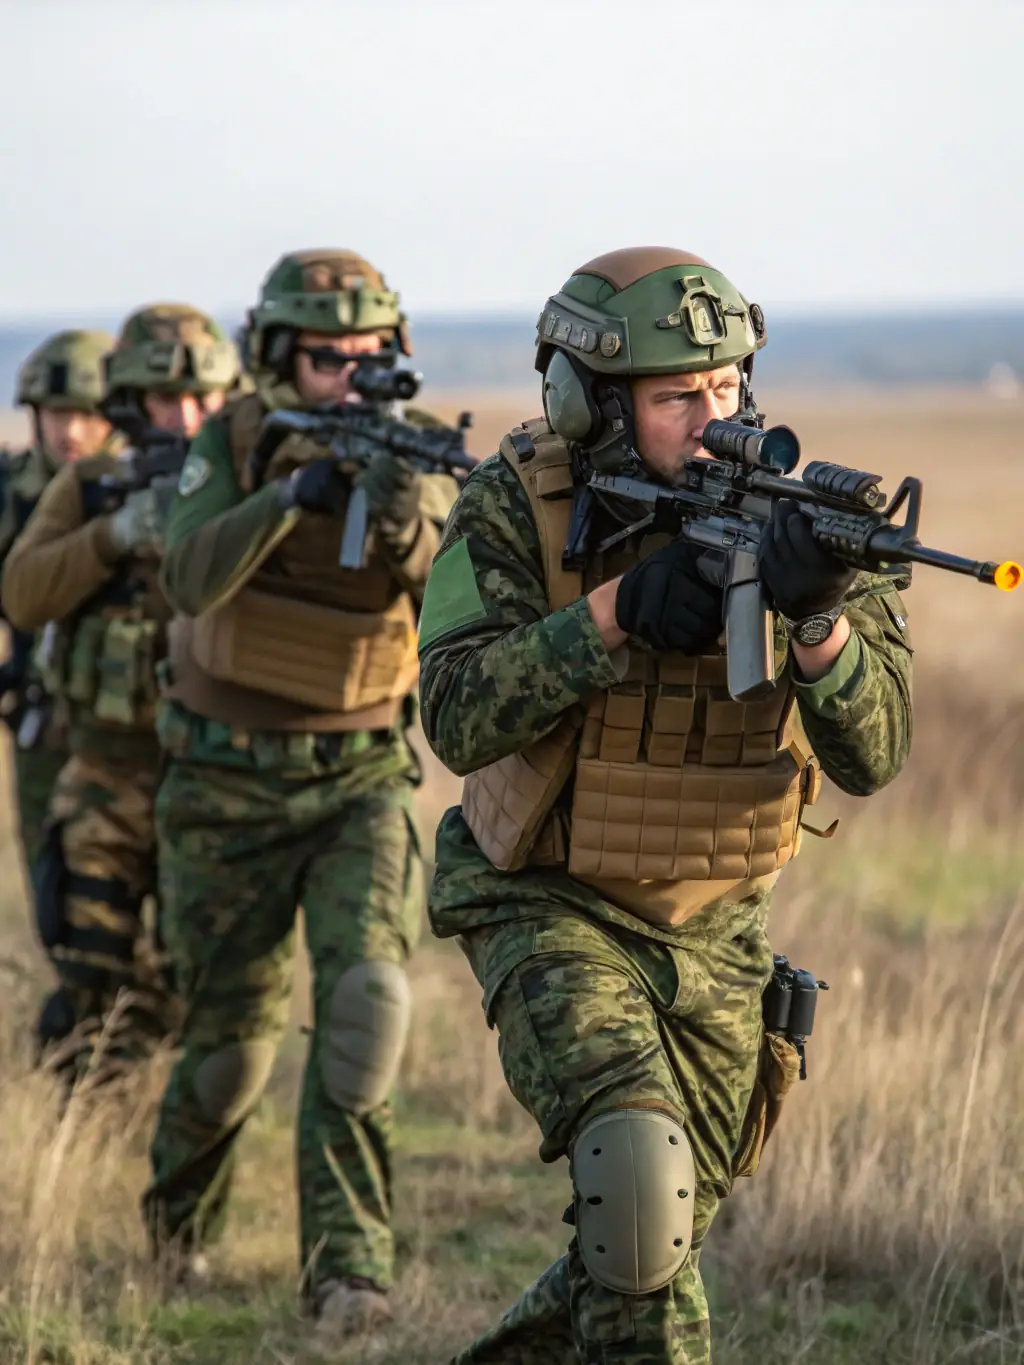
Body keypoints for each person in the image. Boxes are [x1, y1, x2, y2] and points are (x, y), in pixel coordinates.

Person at [416, 246, 913, 1365]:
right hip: (547, 898)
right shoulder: (514, 506)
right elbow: (452, 715)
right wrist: (612, 616)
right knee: (638, 1188)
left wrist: (819, 620)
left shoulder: (811, 530)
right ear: (587, 404)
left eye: (728, 388)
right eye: (675, 395)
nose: (711, 417)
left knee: (645, 1239)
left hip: (720, 922)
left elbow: (876, 752)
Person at [142, 249, 457, 1334]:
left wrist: (404, 512)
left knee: (366, 1009)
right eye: (327, 357)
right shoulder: (229, 444)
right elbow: (186, 576)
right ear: (279, 357)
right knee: (228, 1051)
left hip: (358, 777)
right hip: (222, 785)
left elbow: (456, 600)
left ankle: (348, 1276)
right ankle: (175, 1238)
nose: (348, 374)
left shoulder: (410, 458)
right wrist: (290, 494)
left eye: (370, 356)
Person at [1, 305, 239, 1081]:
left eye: (201, 399)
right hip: (96, 762)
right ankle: (76, 1118)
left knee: (186, 969)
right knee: (84, 952)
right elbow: (26, 592)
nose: (185, 417)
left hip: (205, 766)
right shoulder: (94, 485)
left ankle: (138, 1103)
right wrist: (116, 533)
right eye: (165, 399)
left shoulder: (242, 479)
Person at [0, 331, 115, 872]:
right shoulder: (11, 495)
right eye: (55, 414)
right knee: (56, 894)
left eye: (88, 414)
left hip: (132, 736)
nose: (71, 432)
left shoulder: (143, 489)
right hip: (43, 726)